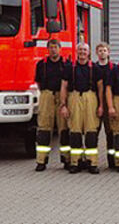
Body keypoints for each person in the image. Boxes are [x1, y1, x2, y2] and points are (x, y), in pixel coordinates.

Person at [60, 43, 104, 174]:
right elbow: (63, 87)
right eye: (80, 50)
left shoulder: (95, 68)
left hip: (91, 98)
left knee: (91, 131)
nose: (82, 52)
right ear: (76, 51)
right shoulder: (69, 68)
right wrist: (63, 105)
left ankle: (92, 162)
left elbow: (101, 88)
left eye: (85, 50)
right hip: (74, 98)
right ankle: (75, 162)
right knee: (75, 131)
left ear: (89, 52)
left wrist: (101, 105)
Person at [34, 39, 70, 171]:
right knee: (44, 128)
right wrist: (46, 94)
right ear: (47, 49)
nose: (53, 49)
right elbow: (38, 82)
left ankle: (67, 159)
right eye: (51, 47)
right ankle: (41, 161)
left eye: (56, 47)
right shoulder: (41, 64)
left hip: (62, 97)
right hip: (47, 95)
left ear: (60, 49)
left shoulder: (66, 64)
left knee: (64, 128)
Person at [94, 42, 115, 169]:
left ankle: (111, 161)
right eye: (100, 50)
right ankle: (93, 161)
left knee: (110, 132)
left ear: (108, 52)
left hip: (110, 104)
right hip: (94, 103)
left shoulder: (114, 68)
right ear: (96, 53)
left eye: (104, 50)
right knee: (93, 132)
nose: (102, 53)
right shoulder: (93, 67)